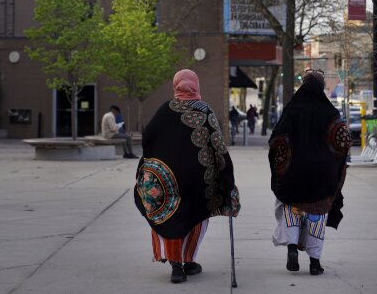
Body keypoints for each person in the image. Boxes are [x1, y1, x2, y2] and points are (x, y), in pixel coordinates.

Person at [134, 69, 241, 284]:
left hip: (167, 179)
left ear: (176, 86)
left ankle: (176, 264)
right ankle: (189, 260)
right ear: (196, 86)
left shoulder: (164, 110)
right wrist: (226, 178)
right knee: (195, 215)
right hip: (198, 180)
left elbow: (148, 138)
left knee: (170, 215)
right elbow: (218, 147)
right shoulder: (204, 110)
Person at [267, 68, 351, 276]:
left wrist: (282, 164)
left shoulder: (292, 110)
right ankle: (315, 262)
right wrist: (334, 163)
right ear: (322, 87)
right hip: (322, 176)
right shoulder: (330, 112)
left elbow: (277, 140)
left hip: (294, 174)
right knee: (316, 216)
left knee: (292, 211)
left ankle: (292, 248)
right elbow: (343, 140)